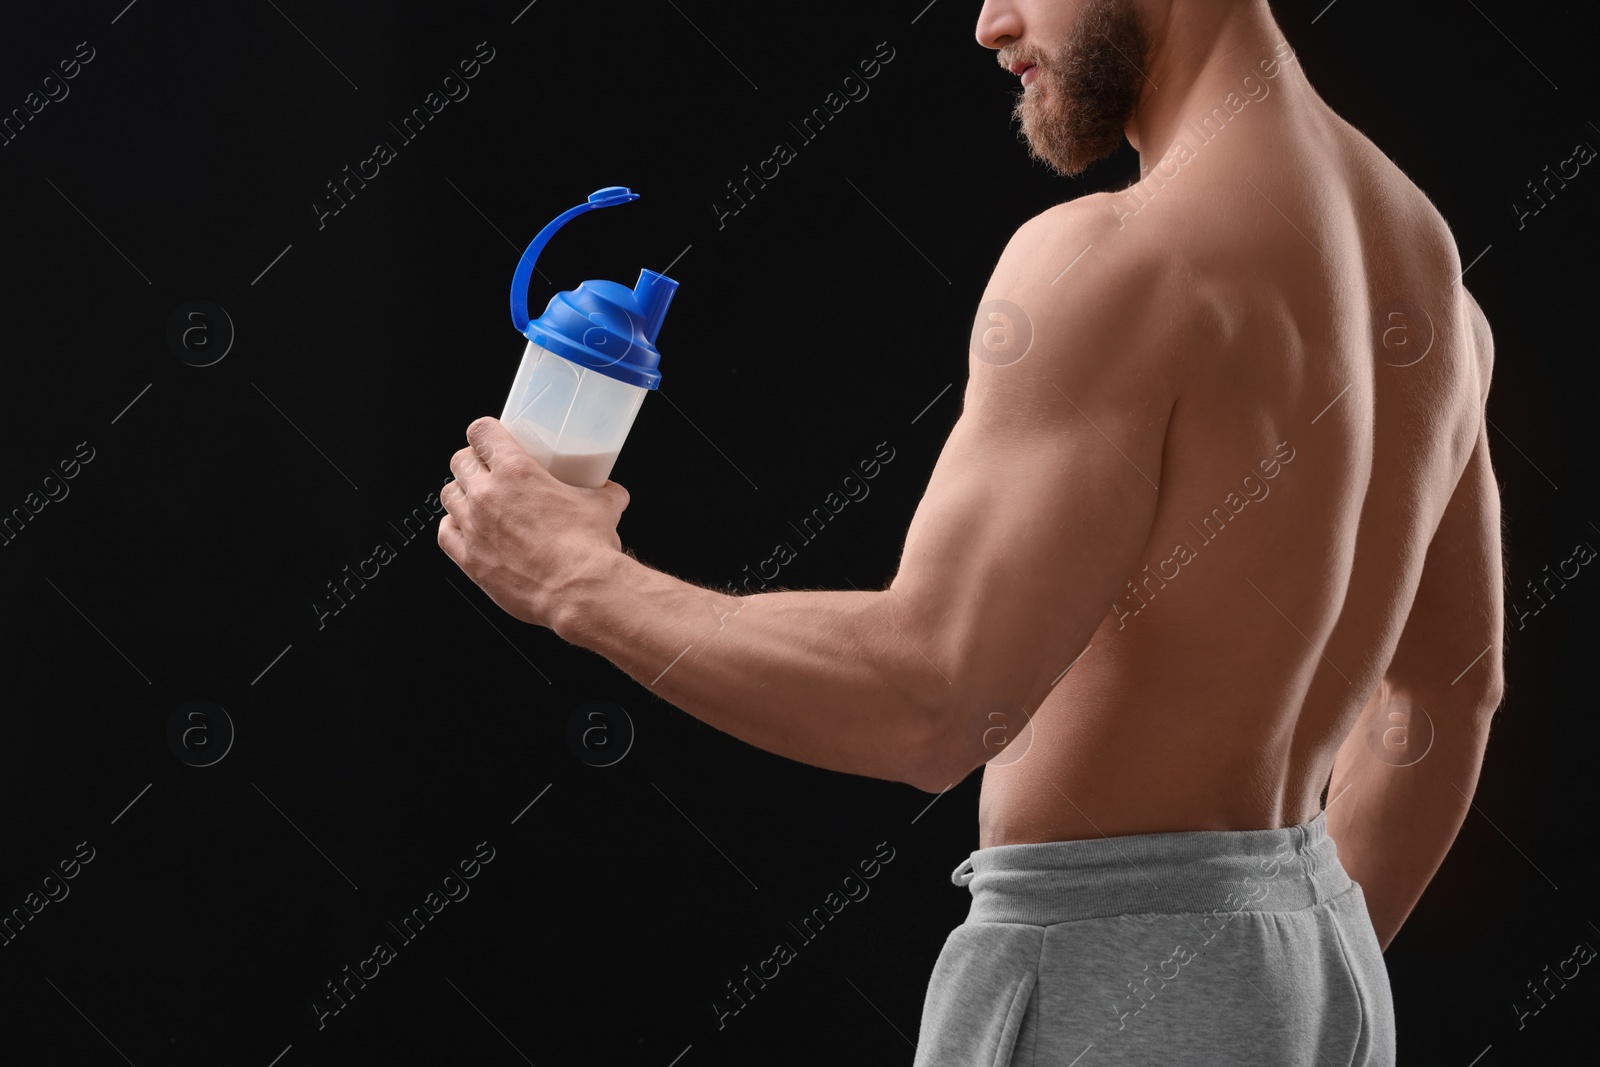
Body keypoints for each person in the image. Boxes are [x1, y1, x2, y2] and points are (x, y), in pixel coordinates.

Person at [436, 1, 1505, 1062]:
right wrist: (1266, 973)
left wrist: (581, 579)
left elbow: (932, 700)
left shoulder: (1117, 261)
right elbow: (1449, 694)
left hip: (1114, 977)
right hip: (1324, 965)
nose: (990, 24)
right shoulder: (1423, 265)